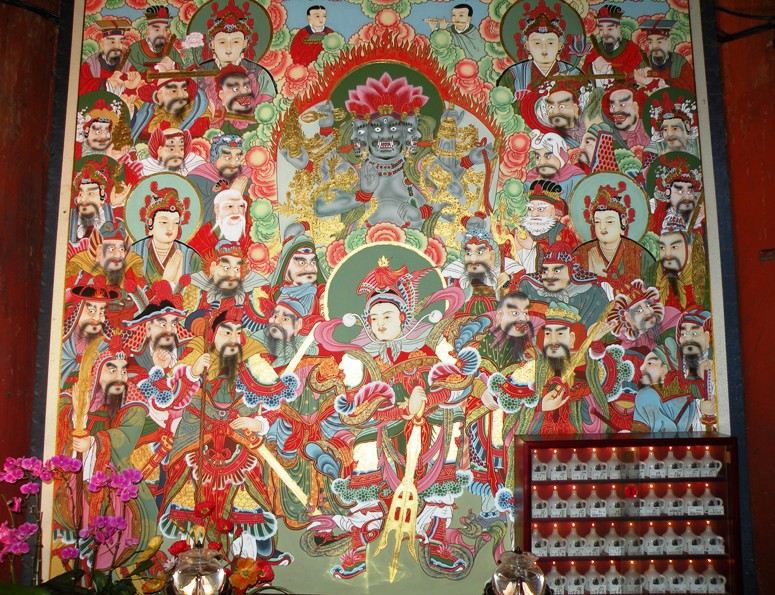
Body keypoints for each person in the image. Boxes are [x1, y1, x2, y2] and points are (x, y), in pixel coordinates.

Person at [160, 298, 298, 557]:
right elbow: (168, 398)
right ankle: (195, 552)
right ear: (213, 334)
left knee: (247, 492)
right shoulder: (197, 354)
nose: (234, 339)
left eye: (238, 332)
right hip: (198, 437)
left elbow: (277, 398)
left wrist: (258, 423)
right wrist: (191, 373)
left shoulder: (253, 358)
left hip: (240, 438)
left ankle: (245, 551)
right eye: (226, 332)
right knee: (191, 491)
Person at [573, 181, 656, 289]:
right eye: (597, 221)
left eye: (609, 221)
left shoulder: (641, 256)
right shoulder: (581, 254)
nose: (602, 227)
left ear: (623, 223)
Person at [496, 0, 583, 93]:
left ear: (560, 46)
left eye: (550, 43)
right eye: (537, 43)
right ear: (527, 46)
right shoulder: (514, 74)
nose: (544, 49)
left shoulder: (574, 74)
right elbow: (500, 100)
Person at [519, 242, 609, 328]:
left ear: (571, 271)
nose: (549, 276)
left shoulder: (591, 292)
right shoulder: (529, 287)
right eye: (545, 271)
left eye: (556, 271)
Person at [442, 216, 522, 312]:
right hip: (465, 312)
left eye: (480, 252)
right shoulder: (454, 272)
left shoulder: (508, 268)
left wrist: (509, 280)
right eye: (468, 253)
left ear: (492, 255)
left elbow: (521, 293)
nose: (473, 259)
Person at [130, 181, 202, 286]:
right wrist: (167, 281)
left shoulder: (190, 257)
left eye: (176, 222)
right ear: (150, 223)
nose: (170, 228)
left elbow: (201, 291)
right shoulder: (134, 253)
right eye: (164, 222)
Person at [513, 180, 581, 274]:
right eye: (530, 209)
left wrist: (533, 246)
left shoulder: (562, 232)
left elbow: (571, 262)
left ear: (552, 211)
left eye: (540, 209)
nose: (534, 214)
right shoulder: (519, 230)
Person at [189, 134, 252, 223]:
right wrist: (231, 195)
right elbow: (194, 212)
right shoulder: (198, 177)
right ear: (215, 157)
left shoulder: (246, 176)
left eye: (237, 158)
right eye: (227, 158)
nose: (233, 163)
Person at [583, 5, 644, 85]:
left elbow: (640, 74)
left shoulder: (632, 49)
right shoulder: (594, 52)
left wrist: (608, 69)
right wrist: (594, 68)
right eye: (601, 29)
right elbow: (583, 77)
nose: (605, 33)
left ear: (618, 29)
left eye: (609, 29)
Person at [132, 78, 210, 141]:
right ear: (159, 94)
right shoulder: (144, 112)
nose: (181, 95)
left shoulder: (199, 116)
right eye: (174, 91)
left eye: (184, 89)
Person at [79, 18, 142, 96]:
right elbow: (80, 88)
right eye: (112, 42)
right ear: (101, 42)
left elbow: (135, 93)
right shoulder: (91, 64)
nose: (117, 46)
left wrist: (131, 85)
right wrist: (107, 83)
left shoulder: (127, 65)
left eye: (121, 42)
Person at [634, 19, 695, 92]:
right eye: (650, 42)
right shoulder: (643, 64)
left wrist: (662, 82)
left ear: (669, 43)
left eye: (659, 42)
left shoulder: (679, 62)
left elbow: (690, 86)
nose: (654, 46)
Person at [524, 131, 585, 202]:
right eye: (538, 157)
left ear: (562, 155)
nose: (542, 162)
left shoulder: (576, 178)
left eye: (548, 156)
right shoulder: (531, 178)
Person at [650, 154, 703, 233]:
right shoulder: (658, 212)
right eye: (680, 191)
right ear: (668, 192)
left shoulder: (697, 215)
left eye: (689, 191)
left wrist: (695, 223)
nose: (686, 196)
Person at [69, 159, 117, 243]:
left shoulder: (114, 223)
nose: (83, 199)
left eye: (90, 193)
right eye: (81, 194)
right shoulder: (73, 225)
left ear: (102, 194)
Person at [126, 6, 183, 73]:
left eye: (165, 30)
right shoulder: (134, 50)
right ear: (148, 31)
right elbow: (129, 72)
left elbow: (183, 71)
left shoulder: (171, 50)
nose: (162, 34)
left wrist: (173, 65)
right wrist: (159, 69)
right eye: (157, 30)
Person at [139, 127, 206, 176]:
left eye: (181, 148)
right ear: (159, 151)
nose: (177, 153)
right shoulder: (144, 169)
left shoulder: (195, 164)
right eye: (171, 149)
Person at [603, 84, 650, 149]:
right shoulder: (609, 139)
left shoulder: (651, 130)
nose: (615, 110)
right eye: (612, 106)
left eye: (622, 105)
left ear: (635, 107)